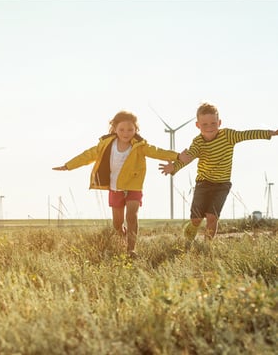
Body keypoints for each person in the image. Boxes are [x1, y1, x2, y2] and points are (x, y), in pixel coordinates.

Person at [53, 110, 188, 258]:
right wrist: (68, 165)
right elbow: (87, 155)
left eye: (130, 129)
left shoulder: (140, 146)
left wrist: (177, 156)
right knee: (117, 224)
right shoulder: (106, 144)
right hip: (115, 188)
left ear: (136, 129)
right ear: (115, 129)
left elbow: (157, 152)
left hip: (133, 187)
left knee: (132, 216)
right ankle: (123, 236)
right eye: (122, 129)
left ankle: (131, 249)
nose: (126, 133)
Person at [159, 102, 278, 245]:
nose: (209, 127)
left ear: (219, 122)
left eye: (213, 123)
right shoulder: (198, 142)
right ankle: (190, 234)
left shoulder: (228, 135)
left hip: (222, 185)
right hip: (203, 183)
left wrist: (270, 133)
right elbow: (189, 157)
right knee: (196, 219)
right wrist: (175, 167)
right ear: (198, 125)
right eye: (205, 124)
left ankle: (207, 245)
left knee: (212, 216)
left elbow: (247, 134)